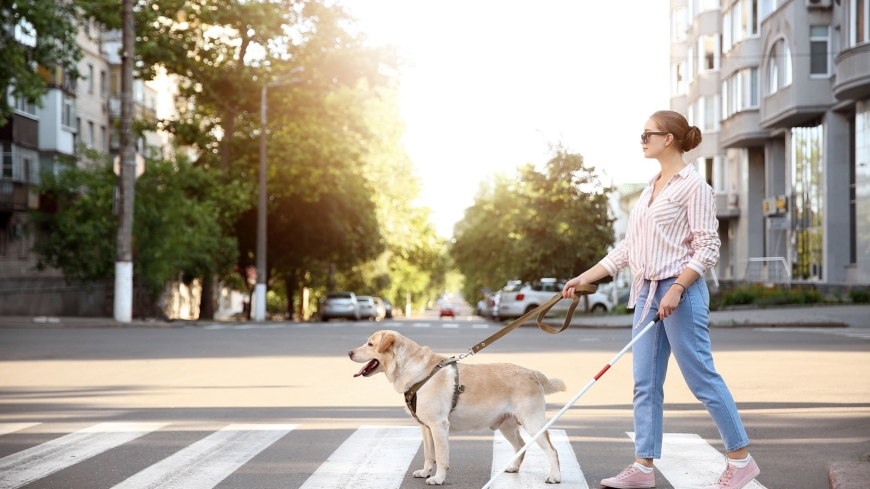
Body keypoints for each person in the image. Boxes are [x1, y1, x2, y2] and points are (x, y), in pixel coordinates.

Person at [561, 111, 760, 489]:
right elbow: (628, 249)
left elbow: (708, 246)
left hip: (679, 291)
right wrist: (583, 277)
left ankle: (741, 459)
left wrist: (678, 287)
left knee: (701, 376)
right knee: (645, 383)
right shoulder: (651, 186)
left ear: (668, 138)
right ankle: (643, 468)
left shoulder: (694, 186)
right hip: (647, 292)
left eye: (647, 134)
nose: (642, 139)